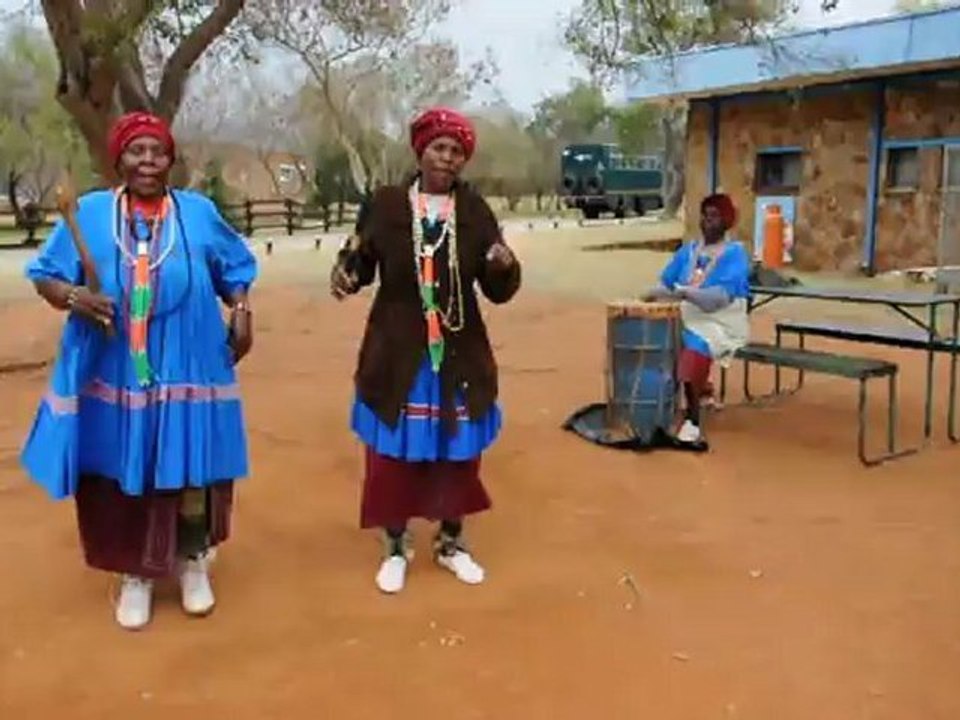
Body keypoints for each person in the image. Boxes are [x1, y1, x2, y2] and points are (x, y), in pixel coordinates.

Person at [20, 111, 257, 630]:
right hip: (116, 365)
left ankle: (192, 561)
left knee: (192, 464)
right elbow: (46, 275)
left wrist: (241, 310)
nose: (148, 161)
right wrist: (76, 297)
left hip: (191, 362)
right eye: (136, 151)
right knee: (126, 464)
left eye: (158, 151)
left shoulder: (197, 212)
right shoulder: (91, 212)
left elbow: (234, 268)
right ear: (119, 159)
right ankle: (136, 574)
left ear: (171, 160)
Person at [330, 107, 521, 594]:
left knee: (458, 451)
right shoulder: (386, 205)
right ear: (421, 151)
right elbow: (360, 260)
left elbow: (497, 286)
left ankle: (451, 542)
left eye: (456, 151)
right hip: (397, 351)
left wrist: (503, 266)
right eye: (439, 147)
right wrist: (347, 272)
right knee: (394, 453)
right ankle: (396, 546)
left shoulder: (474, 211)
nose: (447, 158)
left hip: (459, 352)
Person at [646, 193, 750, 446]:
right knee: (660, 333)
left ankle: (692, 421)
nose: (707, 221)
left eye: (714, 216)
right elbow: (665, 283)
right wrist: (650, 294)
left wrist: (683, 293)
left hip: (722, 321)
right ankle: (667, 401)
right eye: (704, 215)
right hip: (689, 315)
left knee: (694, 344)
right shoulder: (689, 251)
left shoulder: (734, 254)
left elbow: (717, 299)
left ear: (726, 221)